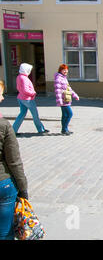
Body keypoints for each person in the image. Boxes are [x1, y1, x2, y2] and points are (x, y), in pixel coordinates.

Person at [0, 80, 29, 240]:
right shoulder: (3, 125)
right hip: (2, 184)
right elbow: (14, 161)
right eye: (0, 94)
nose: (3, 98)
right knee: (4, 233)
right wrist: (23, 189)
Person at [12, 63, 49, 136]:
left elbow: (19, 88)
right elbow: (25, 90)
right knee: (35, 115)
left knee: (22, 114)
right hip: (28, 99)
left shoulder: (19, 77)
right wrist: (33, 93)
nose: (30, 71)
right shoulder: (24, 78)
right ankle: (41, 129)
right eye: (29, 70)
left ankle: (13, 130)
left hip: (20, 98)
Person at [54, 64, 80, 135]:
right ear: (60, 70)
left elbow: (69, 89)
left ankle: (64, 129)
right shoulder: (58, 78)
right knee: (70, 114)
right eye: (64, 70)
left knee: (65, 115)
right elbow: (58, 90)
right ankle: (65, 129)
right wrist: (60, 101)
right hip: (63, 100)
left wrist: (75, 95)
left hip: (66, 99)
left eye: (66, 69)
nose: (65, 71)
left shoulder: (64, 78)